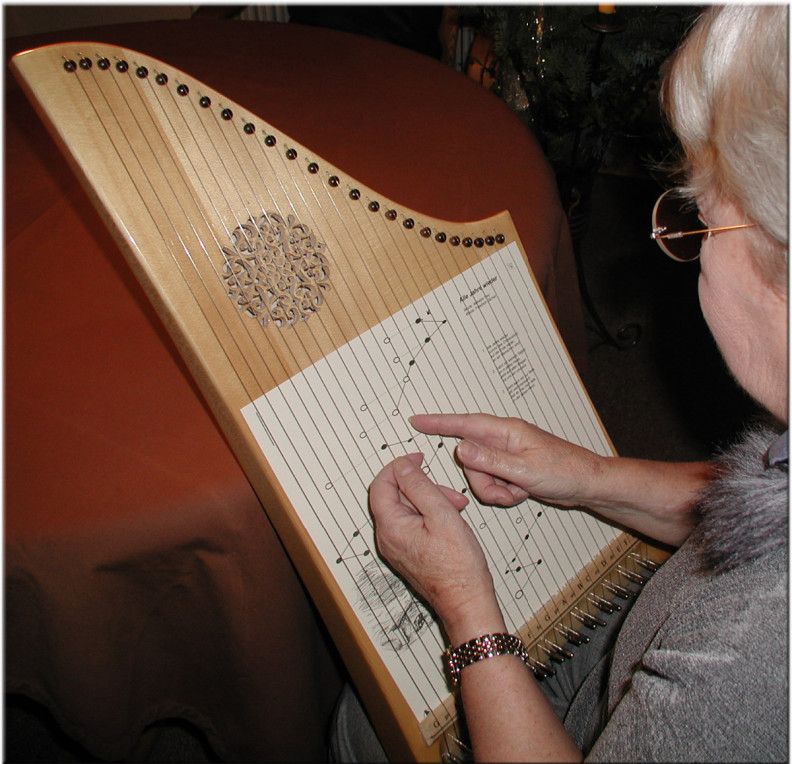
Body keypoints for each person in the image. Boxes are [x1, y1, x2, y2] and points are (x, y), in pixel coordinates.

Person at [331, 5, 788, 762]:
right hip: (659, 623)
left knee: (364, 725)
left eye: (700, 220)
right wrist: (584, 476)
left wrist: (468, 614)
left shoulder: (752, 660)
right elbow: (759, 505)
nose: (693, 249)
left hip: (653, 684)